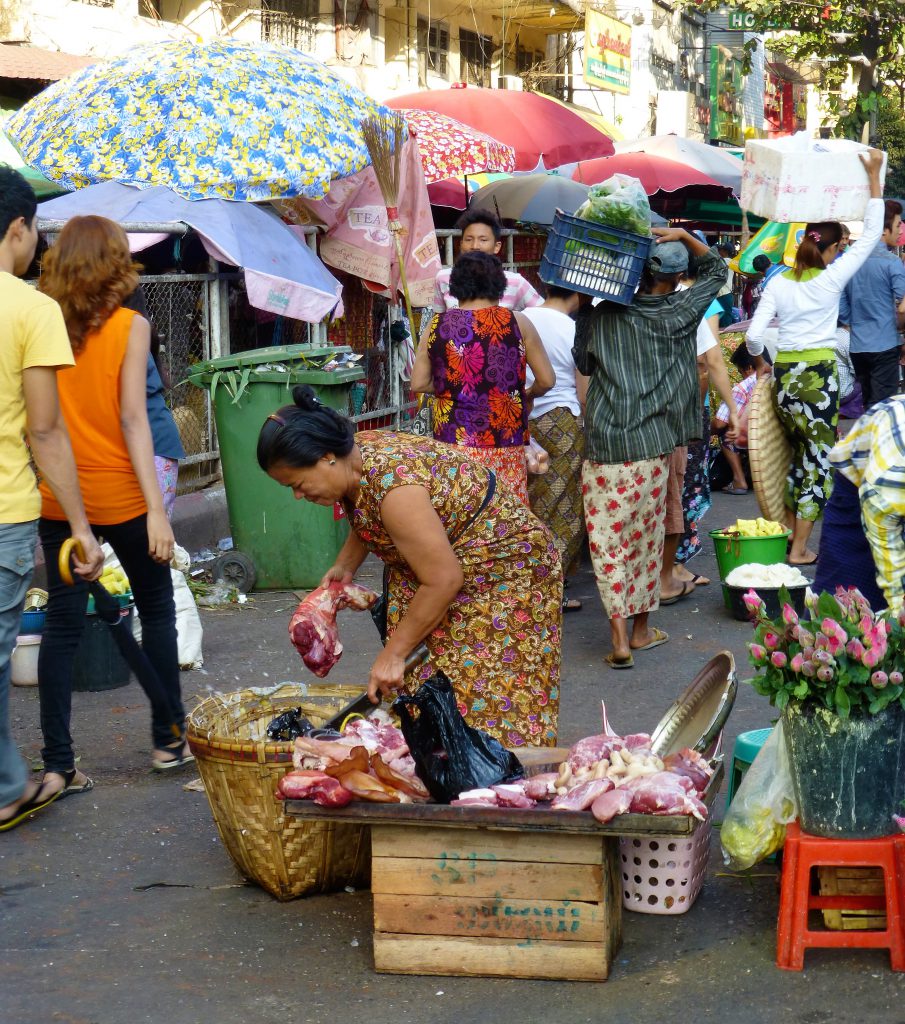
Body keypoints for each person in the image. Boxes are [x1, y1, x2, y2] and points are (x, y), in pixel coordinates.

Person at [258, 387, 562, 747]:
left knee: (484, 699)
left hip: (503, 576)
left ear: (326, 457)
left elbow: (443, 579)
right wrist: (345, 566)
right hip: (444, 567)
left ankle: (496, 789)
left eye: (298, 483)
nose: (297, 495)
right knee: (429, 695)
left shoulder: (396, 489)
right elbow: (367, 506)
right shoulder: (356, 455)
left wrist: (394, 653)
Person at [36, 215, 191, 797]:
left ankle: (57, 763)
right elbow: (133, 420)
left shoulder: (39, 323)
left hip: (59, 498)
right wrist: (156, 509)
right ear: (115, 265)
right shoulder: (130, 326)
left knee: (61, 627)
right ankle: (168, 739)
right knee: (156, 609)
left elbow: (41, 424)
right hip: (123, 493)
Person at [0, 168, 104, 832]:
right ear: (17, 228)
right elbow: (44, 429)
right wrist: (82, 527)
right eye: (34, 231)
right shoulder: (31, 310)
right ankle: (7, 787)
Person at [574, 228, 727, 668]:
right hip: (653, 447)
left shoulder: (603, 314)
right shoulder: (681, 310)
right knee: (643, 540)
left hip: (606, 445)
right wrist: (682, 234)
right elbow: (717, 270)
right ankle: (640, 632)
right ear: (678, 277)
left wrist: (585, 312)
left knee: (608, 542)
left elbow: (584, 363)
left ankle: (620, 639)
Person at [746, 149, 885, 566]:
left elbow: (754, 335)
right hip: (818, 380)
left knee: (792, 456)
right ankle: (801, 548)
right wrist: (873, 177)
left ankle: (791, 532)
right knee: (819, 463)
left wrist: (760, 364)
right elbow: (873, 234)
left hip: (785, 376)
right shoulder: (831, 279)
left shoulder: (778, 283)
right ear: (830, 248)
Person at [411, 251, 554, 504]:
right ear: (499, 285)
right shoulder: (517, 322)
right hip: (506, 443)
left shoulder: (436, 325)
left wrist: (452, 384)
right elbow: (547, 380)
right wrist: (528, 394)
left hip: (452, 443)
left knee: (460, 519)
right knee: (506, 520)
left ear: (455, 286)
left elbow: (419, 383)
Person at [522, 286, 589, 611]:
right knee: (562, 507)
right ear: (577, 296)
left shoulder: (521, 319)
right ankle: (547, 589)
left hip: (521, 418)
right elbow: (583, 393)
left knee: (528, 501)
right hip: (562, 419)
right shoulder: (574, 329)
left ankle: (524, 582)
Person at [821, 394, 905, 610]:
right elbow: (884, 531)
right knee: (844, 611)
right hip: (858, 494)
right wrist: (899, 610)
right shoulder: (890, 482)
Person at [839, 199, 905, 409]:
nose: (899, 231)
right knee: (884, 408)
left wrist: (852, 322)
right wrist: (899, 326)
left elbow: (840, 302)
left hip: (858, 346)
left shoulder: (850, 260)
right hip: (885, 344)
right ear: (883, 230)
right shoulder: (891, 262)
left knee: (868, 404)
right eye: (896, 226)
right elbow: (903, 299)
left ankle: (867, 440)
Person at [432, 208, 543, 313]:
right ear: (461, 244)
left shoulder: (516, 282)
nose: (475, 246)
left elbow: (542, 314)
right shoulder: (443, 277)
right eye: (469, 239)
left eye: (483, 240)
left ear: (497, 246)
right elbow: (437, 321)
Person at [712, 343, 759, 495]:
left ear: (749, 368)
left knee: (727, 431)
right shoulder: (775, 378)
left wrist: (706, 430)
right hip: (771, 434)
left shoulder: (742, 388)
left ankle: (739, 479)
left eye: (740, 371)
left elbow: (720, 423)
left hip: (752, 436)